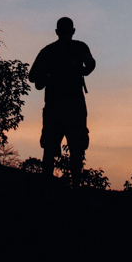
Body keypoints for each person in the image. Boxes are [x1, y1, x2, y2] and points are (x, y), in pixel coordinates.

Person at [28, 17, 95, 184]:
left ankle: (47, 186)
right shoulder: (80, 47)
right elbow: (91, 64)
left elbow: (32, 76)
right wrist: (81, 70)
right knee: (76, 148)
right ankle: (76, 185)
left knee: (49, 148)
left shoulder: (48, 51)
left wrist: (48, 74)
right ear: (73, 31)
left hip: (54, 105)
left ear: (57, 32)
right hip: (74, 105)